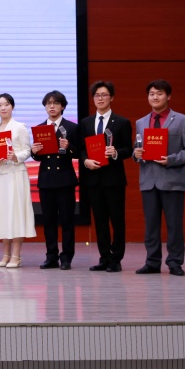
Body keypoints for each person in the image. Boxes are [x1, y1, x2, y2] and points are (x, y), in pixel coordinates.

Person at [133, 79, 185, 276]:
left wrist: (171, 159)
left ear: (168, 96)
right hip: (148, 180)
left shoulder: (183, 120)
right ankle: (152, 262)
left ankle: (175, 262)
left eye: (159, 93)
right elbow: (137, 148)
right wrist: (136, 154)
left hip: (173, 180)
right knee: (151, 225)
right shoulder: (141, 122)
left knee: (174, 225)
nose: (155, 97)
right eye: (151, 94)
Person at [78, 80, 132, 273]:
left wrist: (116, 152)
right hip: (93, 179)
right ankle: (104, 258)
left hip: (113, 179)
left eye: (104, 95)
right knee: (100, 221)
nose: (100, 98)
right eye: (97, 95)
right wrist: (85, 161)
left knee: (117, 221)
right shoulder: (86, 123)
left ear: (111, 98)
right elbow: (81, 148)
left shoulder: (122, 122)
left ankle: (116, 259)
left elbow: (128, 149)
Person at [30, 91, 81, 271]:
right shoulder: (40, 128)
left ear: (63, 106)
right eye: (48, 103)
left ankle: (66, 258)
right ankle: (51, 257)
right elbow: (38, 158)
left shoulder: (72, 127)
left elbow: (79, 152)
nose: (52, 106)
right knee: (49, 222)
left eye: (56, 103)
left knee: (67, 221)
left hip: (65, 180)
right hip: (46, 180)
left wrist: (69, 147)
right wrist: (34, 152)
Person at [0, 93, 36, 268]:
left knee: (16, 214)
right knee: (3, 214)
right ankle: (5, 255)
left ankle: (16, 255)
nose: (3, 108)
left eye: (6, 104)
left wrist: (15, 156)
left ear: (12, 107)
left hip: (15, 174)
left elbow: (27, 150)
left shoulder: (19, 127)